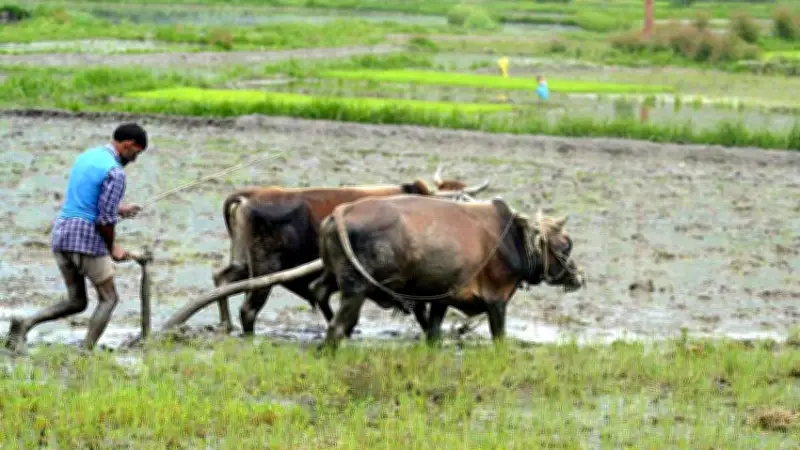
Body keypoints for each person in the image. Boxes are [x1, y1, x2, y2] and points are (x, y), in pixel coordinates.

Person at [5, 123, 149, 352]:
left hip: (62, 234)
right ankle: (85, 352)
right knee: (109, 299)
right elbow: (103, 220)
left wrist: (120, 209)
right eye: (136, 153)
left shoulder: (86, 157)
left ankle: (25, 324)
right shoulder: (115, 172)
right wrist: (113, 248)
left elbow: (86, 198)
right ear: (127, 145)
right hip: (85, 239)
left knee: (77, 301)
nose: (134, 159)